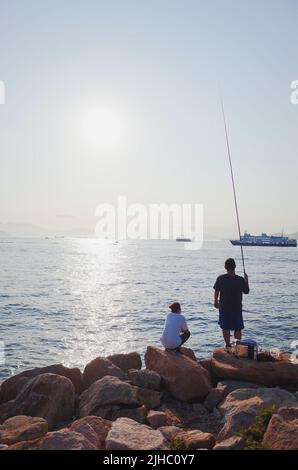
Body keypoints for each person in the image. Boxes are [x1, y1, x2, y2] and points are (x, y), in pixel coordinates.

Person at [213, 258, 249, 350]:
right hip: (236, 307)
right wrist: (246, 280)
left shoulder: (220, 278)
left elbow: (216, 291)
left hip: (224, 307)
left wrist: (215, 301)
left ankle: (228, 345)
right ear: (235, 267)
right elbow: (246, 291)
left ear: (225, 267)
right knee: (238, 327)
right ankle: (238, 346)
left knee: (225, 327)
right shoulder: (240, 279)